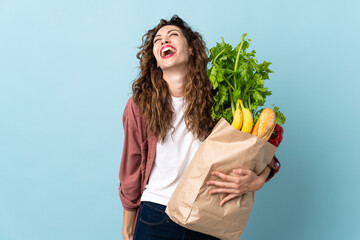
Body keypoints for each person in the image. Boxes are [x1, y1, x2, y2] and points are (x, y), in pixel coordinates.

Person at [118, 15, 281, 240]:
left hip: (207, 214)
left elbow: (258, 147)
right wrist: (128, 227)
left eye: (173, 35)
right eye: (158, 40)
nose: (164, 40)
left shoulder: (222, 97)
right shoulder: (139, 105)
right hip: (156, 214)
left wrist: (259, 180)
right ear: (156, 59)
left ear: (192, 49)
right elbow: (132, 167)